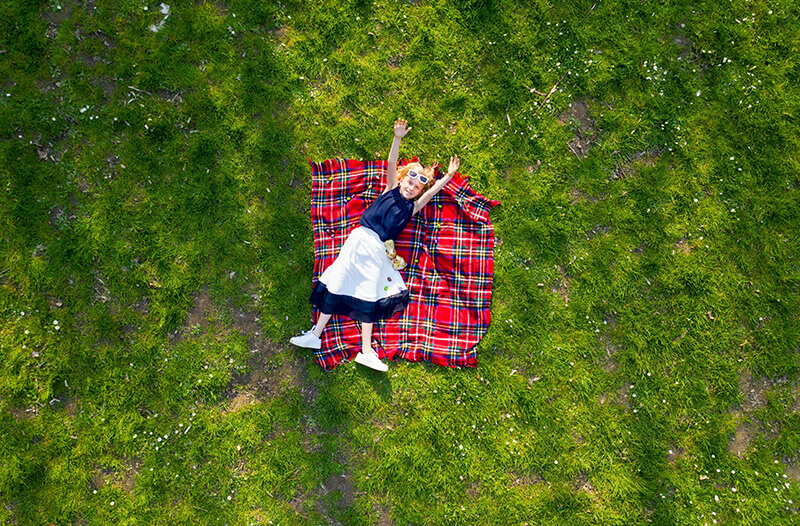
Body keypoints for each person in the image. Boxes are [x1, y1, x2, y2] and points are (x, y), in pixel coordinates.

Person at [290, 118, 460, 372]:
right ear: (402, 180)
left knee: (368, 293)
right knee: (338, 281)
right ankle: (317, 335)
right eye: (410, 182)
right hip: (359, 240)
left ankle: (366, 351)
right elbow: (392, 163)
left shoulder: (413, 207)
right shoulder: (390, 188)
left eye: (417, 186)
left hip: (378, 249)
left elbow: (432, 193)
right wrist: (398, 138)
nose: (412, 188)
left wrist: (447, 176)